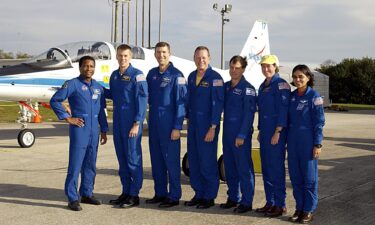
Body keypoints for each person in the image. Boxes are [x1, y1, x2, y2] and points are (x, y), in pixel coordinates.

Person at [50, 55, 108, 211]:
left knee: (90, 164)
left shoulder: (98, 87)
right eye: (86, 66)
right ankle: (72, 197)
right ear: (80, 67)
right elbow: (55, 100)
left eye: (91, 66)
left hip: (94, 131)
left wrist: (104, 130)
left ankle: (87, 194)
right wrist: (68, 118)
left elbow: (101, 110)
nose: (89, 69)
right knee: (75, 165)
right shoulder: (72, 84)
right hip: (80, 130)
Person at [106, 44, 148, 208]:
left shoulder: (137, 76)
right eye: (120, 55)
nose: (122, 58)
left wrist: (137, 123)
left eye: (125, 56)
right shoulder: (114, 76)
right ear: (116, 57)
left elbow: (142, 101)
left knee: (133, 159)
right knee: (122, 159)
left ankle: (134, 194)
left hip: (132, 123)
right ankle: (125, 192)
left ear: (130, 57)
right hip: (118, 122)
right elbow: (112, 94)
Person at [145, 42, 187, 208]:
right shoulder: (151, 74)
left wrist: (177, 126)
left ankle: (174, 195)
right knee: (157, 162)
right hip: (154, 124)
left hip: (170, 126)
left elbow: (182, 103)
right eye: (158, 52)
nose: (161, 55)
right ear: (155, 54)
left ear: (169, 54)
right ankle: (160, 193)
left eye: (164, 52)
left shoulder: (177, 75)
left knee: (171, 162)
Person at [185, 46, 224, 209]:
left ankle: (209, 196)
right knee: (194, 160)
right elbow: (188, 100)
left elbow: (218, 104)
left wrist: (213, 127)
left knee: (207, 161)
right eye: (198, 57)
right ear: (194, 58)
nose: (201, 60)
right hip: (193, 125)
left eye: (203, 57)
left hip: (208, 126)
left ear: (209, 58)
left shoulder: (215, 78)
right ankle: (199, 193)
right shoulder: (192, 76)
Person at [287, 65, 325, 223]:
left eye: (301, 76)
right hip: (293, 143)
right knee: (296, 178)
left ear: (308, 78)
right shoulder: (292, 96)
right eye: (295, 77)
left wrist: (317, 144)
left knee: (309, 179)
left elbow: (319, 122)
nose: (297, 79)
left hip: (308, 143)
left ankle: (308, 209)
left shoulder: (314, 96)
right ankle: (300, 207)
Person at [220, 56, 256, 213]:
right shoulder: (226, 87)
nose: (234, 71)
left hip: (240, 135)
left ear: (243, 69)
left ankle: (247, 201)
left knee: (244, 169)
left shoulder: (248, 89)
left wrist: (242, 135)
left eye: (237, 68)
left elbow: (249, 115)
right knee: (230, 168)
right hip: (227, 134)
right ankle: (233, 197)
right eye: (231, 67)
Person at [256, 54, 290, 217]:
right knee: (267, 168)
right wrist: (261, 130)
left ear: (275, 66)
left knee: (276, 169)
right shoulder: (263, 86)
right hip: (266, 133)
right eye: (263, 66)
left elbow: (283, 110)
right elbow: (262, 111)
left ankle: (280, 204)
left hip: (276, 132)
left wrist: (278, 131)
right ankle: (270, 201)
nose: (266, 69)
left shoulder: (281, 84)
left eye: (269, 66)